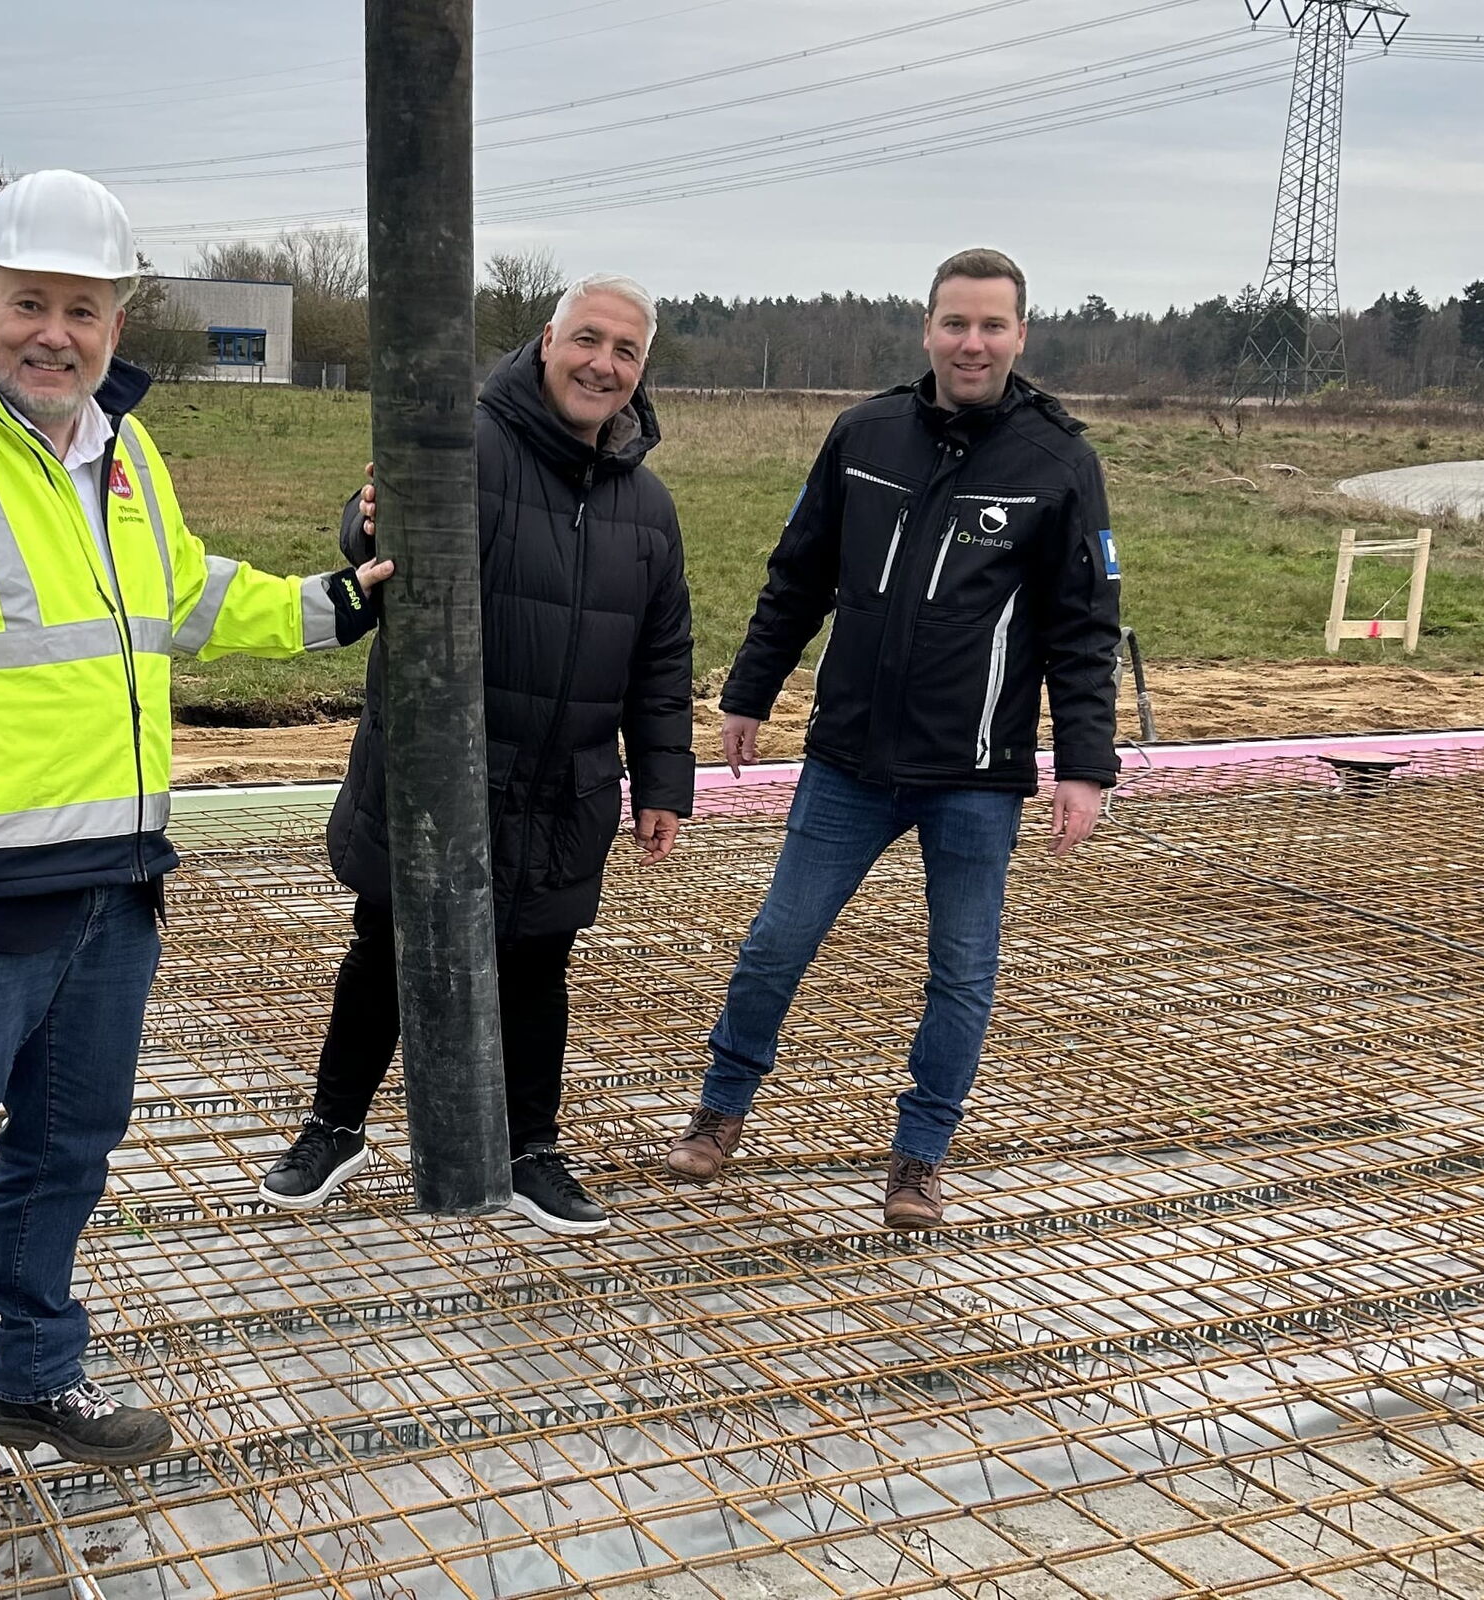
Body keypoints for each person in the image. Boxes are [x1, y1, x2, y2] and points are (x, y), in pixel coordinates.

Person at [0, 169, 389, 1539]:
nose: (53, 332)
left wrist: (335, 606)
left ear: (117, 320)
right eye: (29, 304)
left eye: (83, 308)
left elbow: (178, 596)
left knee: (69, 1153)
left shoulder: (116, 446)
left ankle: (36, 1381)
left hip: (114, 878)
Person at [664, 247, 1122, 1229]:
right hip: (851, 759)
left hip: (975, 774)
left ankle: (918, 1158)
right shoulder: (864, 433)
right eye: (956, 322)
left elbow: (1085, 627)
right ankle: (719, 1110)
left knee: (962, 971)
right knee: (777, 942)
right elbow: (798, 574)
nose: (973, 342)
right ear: (926, 328)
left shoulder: (1058, 462)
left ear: (1020, 336)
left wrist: (1086, 764)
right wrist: (750, 693)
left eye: (992, 325)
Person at [257, 273, 696, 1236]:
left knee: (538, 962)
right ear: (547, 340)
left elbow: (663, 657)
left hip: (563, 780)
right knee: (388, 945)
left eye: (626, 351)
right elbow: (371, 525)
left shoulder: (647, 507)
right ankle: (334, 1127)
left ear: (642, 371)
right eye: (588, 340)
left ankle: (530, 1148)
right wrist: (363, 521)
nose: (603, 364)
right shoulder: (467, 448)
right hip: (440, 769)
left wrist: (664, 779)